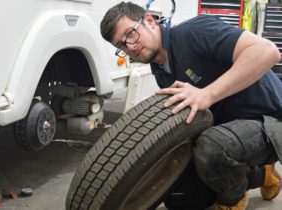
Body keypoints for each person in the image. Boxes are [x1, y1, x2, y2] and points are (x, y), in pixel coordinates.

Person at [100, 2, 282, 210]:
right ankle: (261, 173)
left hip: (271, 118)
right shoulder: (160, 69)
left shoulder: (194, 32)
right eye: (121, 46)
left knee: (211, 147)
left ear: (149, 21)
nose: (130, 47)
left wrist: (208, 94)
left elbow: (268, 52)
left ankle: (233, 199)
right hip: (232, 127)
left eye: (131, 34)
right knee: (181, 193)